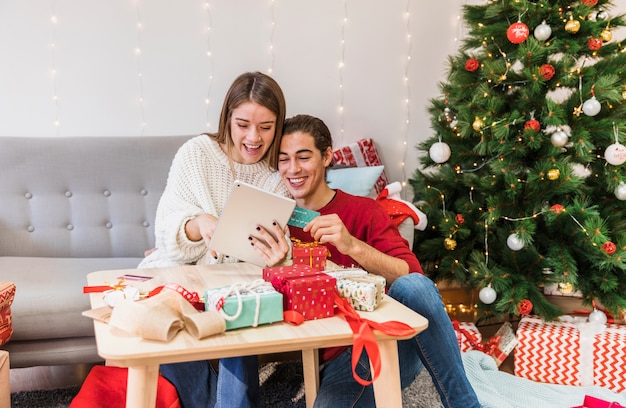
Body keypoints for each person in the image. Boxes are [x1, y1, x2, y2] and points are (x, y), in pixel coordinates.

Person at [272, 114, 481, 407]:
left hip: (382, 342)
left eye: (303, 157)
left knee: (414, 287)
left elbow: (412, 278)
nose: (292, 169)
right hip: (332, 361)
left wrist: (351, 245)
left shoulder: (363, 210)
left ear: (327, 156)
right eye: (283, 159)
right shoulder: (272, 218)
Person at [139, 71, 292, 408]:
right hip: (179, 272)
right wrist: (197, 224)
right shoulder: (197, 153)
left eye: (266, 127)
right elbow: (165, 231)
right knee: (166, 322)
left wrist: (279, 255)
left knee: (239, 311)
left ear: (277, 126)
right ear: (227, 118)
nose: (254, 137)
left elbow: (280, 246)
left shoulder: (275, 175)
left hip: (236, 285)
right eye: (243, 125)